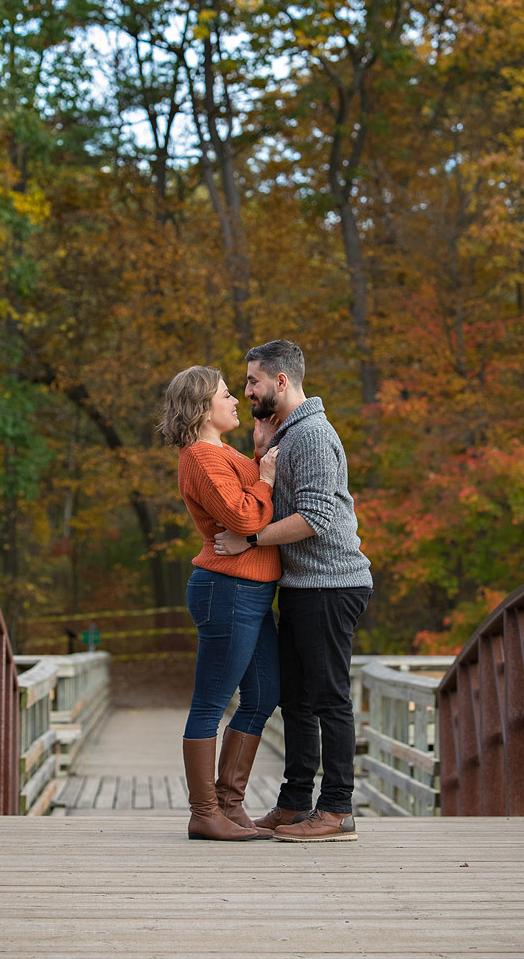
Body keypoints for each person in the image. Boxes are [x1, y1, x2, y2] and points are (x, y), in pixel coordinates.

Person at [214, 339, 373, 842]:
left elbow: (318, 519)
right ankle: (295, 802)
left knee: (328, 697)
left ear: (281, 381)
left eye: (253, 381)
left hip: (332, 583)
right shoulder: (288, 434)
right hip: (304, 585)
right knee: (296, 700)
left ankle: (337, 809)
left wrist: (251, 540)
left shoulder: (312, 435)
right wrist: (260, 450)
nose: (247, 392)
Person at [160, 365, 282, 841]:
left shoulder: (222, 453)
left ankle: (230, 804)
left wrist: (259, 452)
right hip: (226, 590)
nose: (237, 400)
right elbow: (245, 514)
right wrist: (267, 477)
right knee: (211, 701)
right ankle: (203, 811)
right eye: (227, 394)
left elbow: (246, 498)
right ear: (202, 406)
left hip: (252, 589)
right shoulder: (200, 458)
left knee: (264, 694)